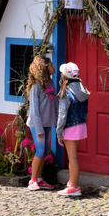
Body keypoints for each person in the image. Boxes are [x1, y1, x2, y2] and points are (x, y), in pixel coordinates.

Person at [56, 62, 90, 197]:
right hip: (81, 125)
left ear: (65, 76)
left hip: (70, 127)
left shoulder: (66, 92)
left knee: (72, 158)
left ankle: (75, 187)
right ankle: (71, 183)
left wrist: (59, 133)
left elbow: (62, 115)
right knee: (73, 156)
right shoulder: (83, 90)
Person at [25, 55, 58, 191]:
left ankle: (39, 179)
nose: (54, 66)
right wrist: (39, 130)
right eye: (51, 65)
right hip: (37, 124)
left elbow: (54, 102)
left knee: (44, 151)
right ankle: (32, 180)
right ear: (44, 68)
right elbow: (34, 110)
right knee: (39, 151)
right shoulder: (36, 86)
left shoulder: (50, 83)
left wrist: (57, 121)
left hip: (47, 123)